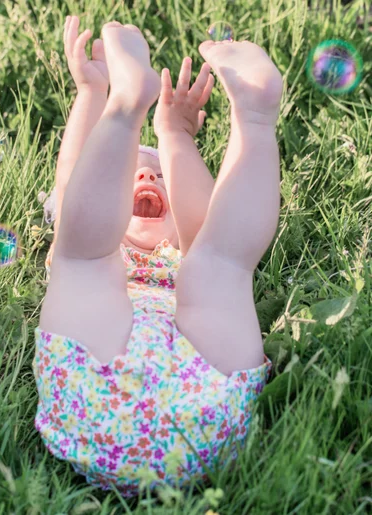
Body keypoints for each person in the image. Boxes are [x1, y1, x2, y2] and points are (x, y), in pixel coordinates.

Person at [33, 15, 283, 496]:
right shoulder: (111, 248)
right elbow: (72, 187)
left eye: (158, 176)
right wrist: (90, 92)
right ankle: (251, 121)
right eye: (134, 172)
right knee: (222, 266)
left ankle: (141, 108)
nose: (147, 179)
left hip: (98, 398)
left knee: (204, 255)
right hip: (211, 416)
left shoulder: (177, 257)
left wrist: (174, 137)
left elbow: (202, 221)